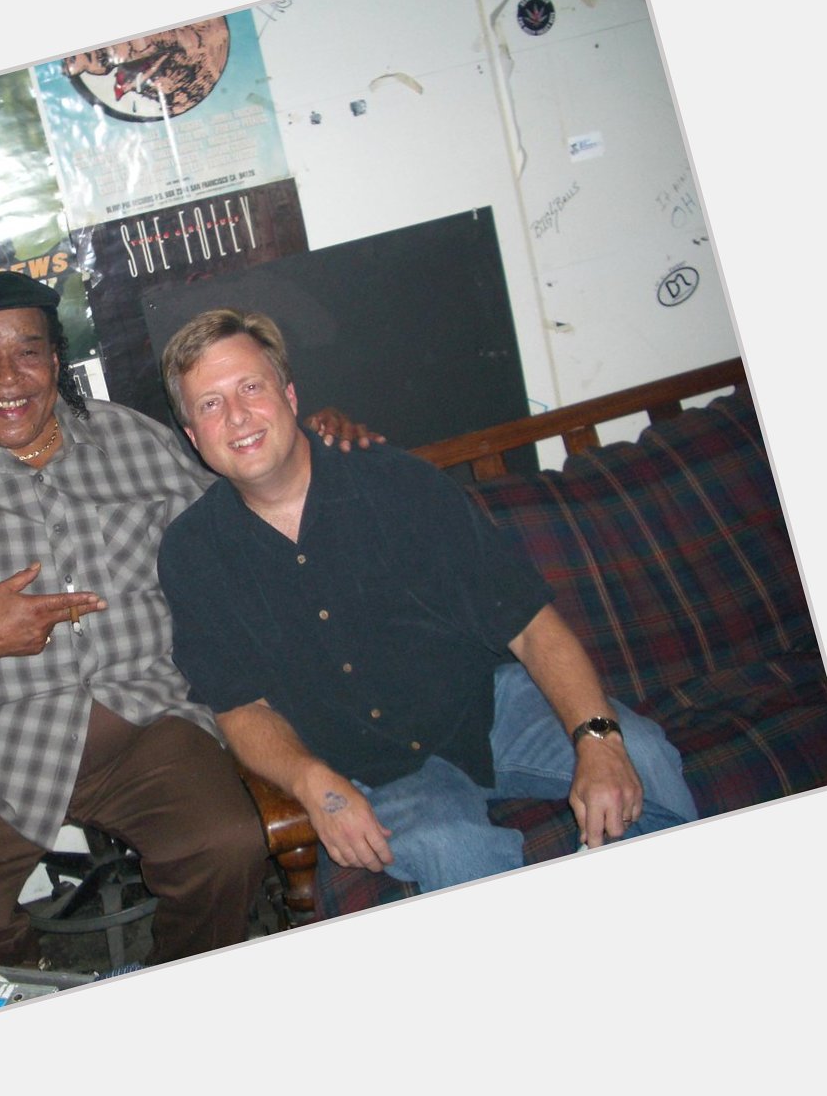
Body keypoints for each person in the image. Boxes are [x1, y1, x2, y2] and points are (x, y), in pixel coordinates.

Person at [0, 273, 374, 974]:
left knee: (226, 844)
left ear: (58, 362)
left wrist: (312, 445)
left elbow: (245, 507)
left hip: (144, 725)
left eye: (27, 352)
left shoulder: (132, 440)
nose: (7, 377)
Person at [156, 309, 698, 896]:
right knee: (453, 849)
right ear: (192, 436)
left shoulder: (397, 483)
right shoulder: (192, 554)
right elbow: (239, 707)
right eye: (209, 404)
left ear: (289, 394)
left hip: (489, 709)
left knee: (640, 753)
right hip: (371, 768)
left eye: (251, 387)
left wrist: (597, 738)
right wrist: (315, 784)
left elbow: (532, 628)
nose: (236, 416)